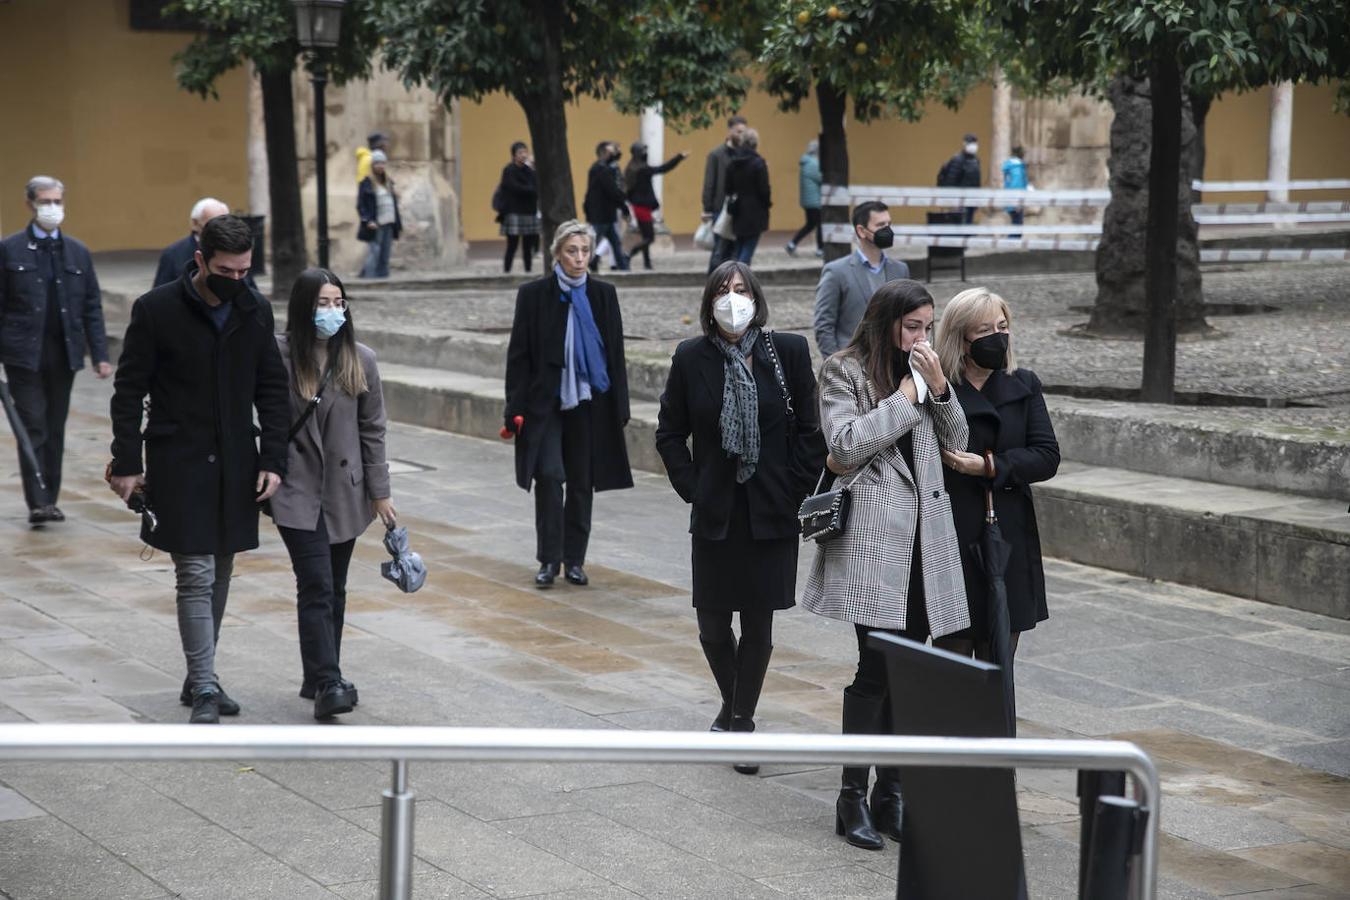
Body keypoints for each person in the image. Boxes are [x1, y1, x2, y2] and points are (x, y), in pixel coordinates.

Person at [800, 279, 970, 850]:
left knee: (913, 667)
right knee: (876, 667)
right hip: (873, 541)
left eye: (928, 326)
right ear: (888, 321)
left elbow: (959, 439)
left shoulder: (927, 372)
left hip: (925, 539)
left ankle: (891, 792)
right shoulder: (843, 371)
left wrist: (941, 390)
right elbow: (845, 446)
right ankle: (852, 796)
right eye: (913, 326)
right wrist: (904, 398)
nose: (922, 337)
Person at [109, 214, 290, 725]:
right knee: (195, 572)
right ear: (200, 261)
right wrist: (126, 463)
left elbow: (272, 391)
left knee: (223, 570)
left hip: (237, 462)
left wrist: (274, 459)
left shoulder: (254, 308)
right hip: (177, 460)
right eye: (226, 271)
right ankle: (206, 684)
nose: (237, 281)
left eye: (245, 271)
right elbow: (128, 390)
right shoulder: (156, 309)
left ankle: (197, 674)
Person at [656, 261, 825, 774]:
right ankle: (734, 707)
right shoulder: (691, 357)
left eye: (742, 289)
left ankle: (741, 723)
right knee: (711, 625)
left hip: (771, 512)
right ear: (709, 303)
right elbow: (668, 433)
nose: (733, 298)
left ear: (756, 298)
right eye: (723, 291)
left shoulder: (787, 352)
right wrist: (694, 488)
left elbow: (811, 434)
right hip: (717, 512)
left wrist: (793, 487)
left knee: (758, 624)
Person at [269, 268, 394, 719]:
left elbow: (373, 430)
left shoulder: (361, 359)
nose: (332, 311)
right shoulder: (277, 356)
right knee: (316, 582)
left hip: (345, 491)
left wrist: (380, 493)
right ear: (304, 308)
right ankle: (328, 682)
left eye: (338, 302)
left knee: (335, 587)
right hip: (295, 488)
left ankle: (319, 672)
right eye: (322, 303)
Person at [504, 220, 633, 588]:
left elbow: (615, 354)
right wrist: (513, 408)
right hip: (544, 404)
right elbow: (519, 357)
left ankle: (574, 560)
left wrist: (619, 408)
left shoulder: (603, 294)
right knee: (549, 476)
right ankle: (549, 559)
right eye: (571, 251)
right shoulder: (534, 295)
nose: (579, 259)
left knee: (581, 481)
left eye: (584, 251)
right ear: (557, 254)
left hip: (590, 403)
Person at [934, 288, 1058, 660]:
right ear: (961, 337)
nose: (997, 337)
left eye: (1002, 326)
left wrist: (989, 466)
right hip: (953, 528)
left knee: (999, 658)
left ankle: (994, 721)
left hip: (1007, 528)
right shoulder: (940, 388)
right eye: (985, 330)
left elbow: (1046, 456)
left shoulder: (1024, 383)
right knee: (951, 664)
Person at [0, 176, 112, 526]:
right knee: (33, 425)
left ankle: (52, 496)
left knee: (55, 427)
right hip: (22, 354)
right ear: (30, 204)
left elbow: (91, 305)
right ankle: (39, 501)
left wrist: (101, 354)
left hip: (64, 353)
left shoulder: (76, 251)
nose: (52, 208)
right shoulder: (10, 249)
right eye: (45, 201)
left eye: (57, 201)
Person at [812, 201, 910, 357]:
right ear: (861, 231)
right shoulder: (836, 271)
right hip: (853, 361)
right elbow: (823, 325)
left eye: (889, 224)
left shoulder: (900, 269)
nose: (887, 230)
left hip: (892, 362)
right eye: (880, 225)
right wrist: (836, 365)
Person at [623, 143, 688, 270]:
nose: (646, 153)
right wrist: (679, 157)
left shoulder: (631, 168)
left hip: (638, 206)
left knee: (645, 236)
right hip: (643, 208)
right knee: (650, 237)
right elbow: (663, 168)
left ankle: (647, 263)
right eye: (644, 151)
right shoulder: (642, 170)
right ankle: (628, 254)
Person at [702, 115, 748, 273]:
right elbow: (709, 183)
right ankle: (712, 283)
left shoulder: (746, 154)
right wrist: (707, 208)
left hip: (740, 211)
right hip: (719, 209)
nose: (741, 135)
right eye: (738, 131)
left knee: (736, 253)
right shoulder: (716, 154)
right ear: (730, 131)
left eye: (744, 132)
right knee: (719, 251)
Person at [154, 197, 231, 288]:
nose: (220, 232)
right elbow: (159, 294)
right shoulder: (173, 253)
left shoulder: (236, 250)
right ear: (195, 223)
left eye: (225, 226)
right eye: (213, 227)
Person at [725, 129, 771, 265]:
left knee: (739, 247)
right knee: (748, 249)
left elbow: (727, 189)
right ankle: (739, 279)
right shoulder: (758, 163)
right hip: (755, 210)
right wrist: (767, 204)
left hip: (738, 210)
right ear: (755, 143)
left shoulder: (732, 163)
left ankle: (733, 277)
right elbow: (764, 189)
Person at [583, 141, 630, 273]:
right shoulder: (602, 170)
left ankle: (623, 268)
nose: (614, 154)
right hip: (601, 214)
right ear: (603, 153)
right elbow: (612, 191)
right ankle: (588, 265)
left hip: (605, 214)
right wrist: (624, 205)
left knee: (615, 242)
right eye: (611, 152)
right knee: (595, 243)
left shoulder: (599, 168)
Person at [357, 150, 402, 279]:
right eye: (377, 163)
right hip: (376, 222)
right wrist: (368, 220)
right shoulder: (366, 183)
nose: (380, 166)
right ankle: (369, 278)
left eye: (382, 163)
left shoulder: (388, 182)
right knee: (374, 251)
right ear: (372, 165)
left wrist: (397, 223)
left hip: (389, 221)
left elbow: (392, 203)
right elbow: (361, 205)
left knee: (385, 252)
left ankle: (383, 277)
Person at [497, 141, 540, 273]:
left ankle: (528, 269)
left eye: (525, 152)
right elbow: (513, 187)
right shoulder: (509, 170)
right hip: (513, 211)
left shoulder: (530, 171)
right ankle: (507, 270)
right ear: (514, 155)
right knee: (512, 244)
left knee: (528, 245)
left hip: (529, 211)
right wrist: (529, 190)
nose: (523, 155)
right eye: (520, 152)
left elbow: (537, 187)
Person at [786, 139, 823, 257]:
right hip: (814, 201)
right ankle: (820, 249)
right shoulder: (813, 163)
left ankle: (792, 244)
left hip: (808, 200)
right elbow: (821, 178)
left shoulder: (806, 162)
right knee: (819, 224)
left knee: (811, 224)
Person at [937, 132, 983, 224]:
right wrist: (953, 201)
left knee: (968, 226)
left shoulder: (976, 160)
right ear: (965, 144)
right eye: (971, 143)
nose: (974, 146)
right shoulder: (958, 159)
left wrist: (977, 200)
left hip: (972, 200)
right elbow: (951, 180)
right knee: (959, 227)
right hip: (960, 200)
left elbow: (977, 181)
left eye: (975, 143)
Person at [1001, 145, 1029, 236]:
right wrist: (1018, 202)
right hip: (1016, 199)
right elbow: (1017, 185)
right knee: (1017, 224)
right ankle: (1012, 245)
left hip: (1010, 198)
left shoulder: (1010, 165)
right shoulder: (1017, 167)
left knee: (1015, 223)